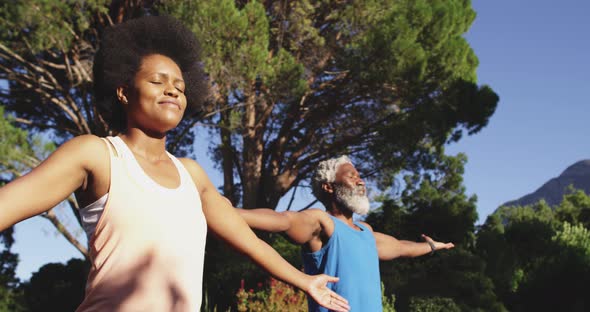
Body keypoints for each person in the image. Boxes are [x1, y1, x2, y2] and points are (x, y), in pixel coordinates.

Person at [0, 16, 349, 312]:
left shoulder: (192, 175)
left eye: (180, 87)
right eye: (157, 81)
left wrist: (305, 281)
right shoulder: (96, 154)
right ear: (123, 91)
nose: (172, 91)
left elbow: (248, 240)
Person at [238, 155, 455, 312]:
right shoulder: (322, 223)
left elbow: (400, 247)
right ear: (329, 187)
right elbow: (283, 220)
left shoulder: (366, 231)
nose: (361, 181)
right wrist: (224, 211)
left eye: (360, 176)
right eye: (352, 176)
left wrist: (433, 246)